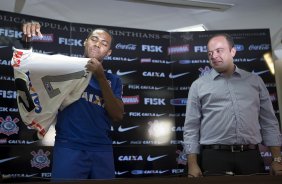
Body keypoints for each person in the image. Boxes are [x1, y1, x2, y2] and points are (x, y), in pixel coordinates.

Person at [22, 22, 124, 180]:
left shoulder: (113, 80)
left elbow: (117, 115)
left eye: (104, 43)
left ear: (109, 52)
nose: (97, 44)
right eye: (94, 39)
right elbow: (30, 73)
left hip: (101, 149)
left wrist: (101, 77)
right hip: (69, 147)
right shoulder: (65, 69)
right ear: (85, 42)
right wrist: (27, 42)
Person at [182, 33, 282, 177]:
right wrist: (192, 164)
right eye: (210, 53)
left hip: (250, 157)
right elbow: (191, 127)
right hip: (213, 158)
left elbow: (269, 122)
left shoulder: (255, 81)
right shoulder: (198, 85)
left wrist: (277, 159)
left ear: (233, 51)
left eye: (219, 50)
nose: (213, 56)